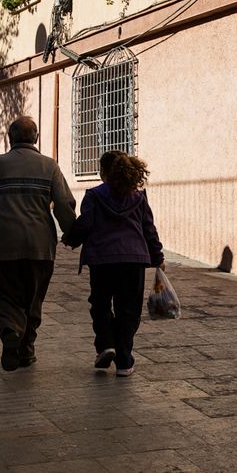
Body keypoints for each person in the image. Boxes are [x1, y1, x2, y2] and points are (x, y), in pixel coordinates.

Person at [0, 117, 75, 372]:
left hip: (4, 246)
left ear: (10, 138)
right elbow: (64, 205)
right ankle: (26, 349)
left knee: (6, 294)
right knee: (34, 298)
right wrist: (72, 234)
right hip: (40, 247)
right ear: (36, 138)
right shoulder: (49, 166)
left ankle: (10, 329)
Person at [63, 150, 165, 377]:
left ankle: (106, 344)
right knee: (128, 309)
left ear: (103, 172)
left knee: (100, 303)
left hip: (102, 260)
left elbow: (85, 224)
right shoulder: (139, 197)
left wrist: (70, 238)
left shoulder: (94, 195)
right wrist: (158, 257)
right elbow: (148, 229)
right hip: (133, 261)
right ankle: (124, 361)